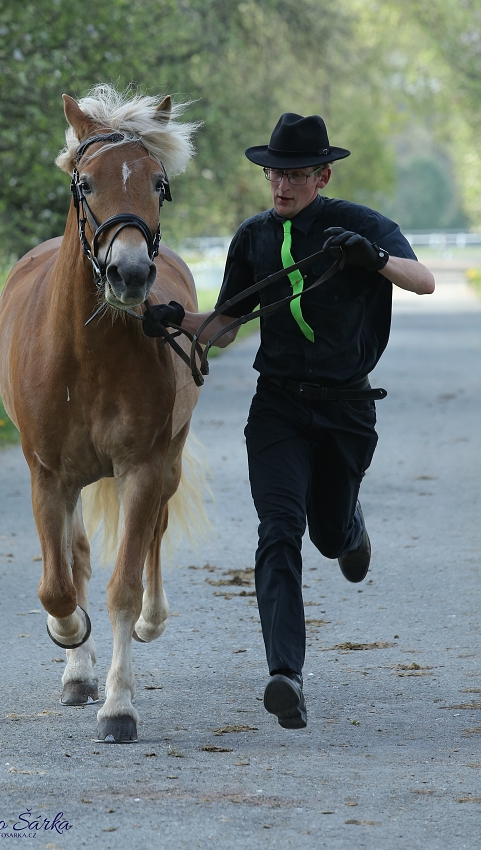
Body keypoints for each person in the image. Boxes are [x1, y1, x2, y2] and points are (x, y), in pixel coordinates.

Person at [142, 112, 435, 730]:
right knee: (279, 530)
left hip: (346, 408)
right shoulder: (253, 237)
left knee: (327, 534)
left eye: (296, 175)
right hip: (276, 406)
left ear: (322, 175)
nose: (282, 185)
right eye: (275, 173)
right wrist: (172, 318)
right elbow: (225, 326)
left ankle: (349, 527)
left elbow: (424, 281)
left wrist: (374, 257)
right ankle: (285, 675)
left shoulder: (359, 225)